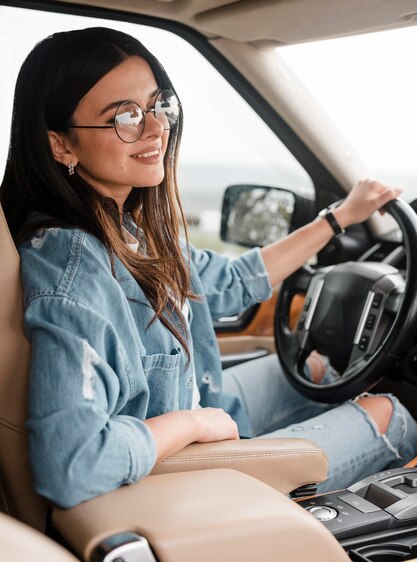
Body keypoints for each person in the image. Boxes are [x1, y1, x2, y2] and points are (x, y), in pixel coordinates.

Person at [1, 27, 416, 509]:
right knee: (390, 414)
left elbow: (235, 281)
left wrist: (339, 217)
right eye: (125, 117)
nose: (155, 129)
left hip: (194, 398)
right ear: (61, 146)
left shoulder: (130, 228)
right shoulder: (73, 268)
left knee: (322, 367)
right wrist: (193, 424)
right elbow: (72, 464)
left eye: (158, 105)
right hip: (175, 473)